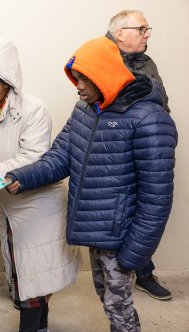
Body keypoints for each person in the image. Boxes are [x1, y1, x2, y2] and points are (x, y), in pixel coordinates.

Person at [5, 36, 177, 332]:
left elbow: (157, 198)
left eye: (84, 77)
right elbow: (60, 157)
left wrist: (135, 252)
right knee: (111, 300)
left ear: (105, 75)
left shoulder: (149, 119)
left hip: (121, 233)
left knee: (116, 304)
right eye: (75, 78)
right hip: (96, 227)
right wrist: (21, 177)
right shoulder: (85, 109)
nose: (78, 85)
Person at [0, 37, 80, 332]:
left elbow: (32, 159)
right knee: (27, 279)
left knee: (32, 281)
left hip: (36, 208)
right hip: (9, 208)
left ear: (7, 83)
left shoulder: (32, 110)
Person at [106, 9, 172, 300]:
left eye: (147, 29)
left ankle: (144, 273)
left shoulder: (147, 61)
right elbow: (97, 108)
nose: (147, 34)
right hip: (116, 149)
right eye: (142, 29)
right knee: (118, 212)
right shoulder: (101, 58)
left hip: (148, 147)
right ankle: (117, 274)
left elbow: (162, 102)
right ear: (120, 33)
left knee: (147, 209)